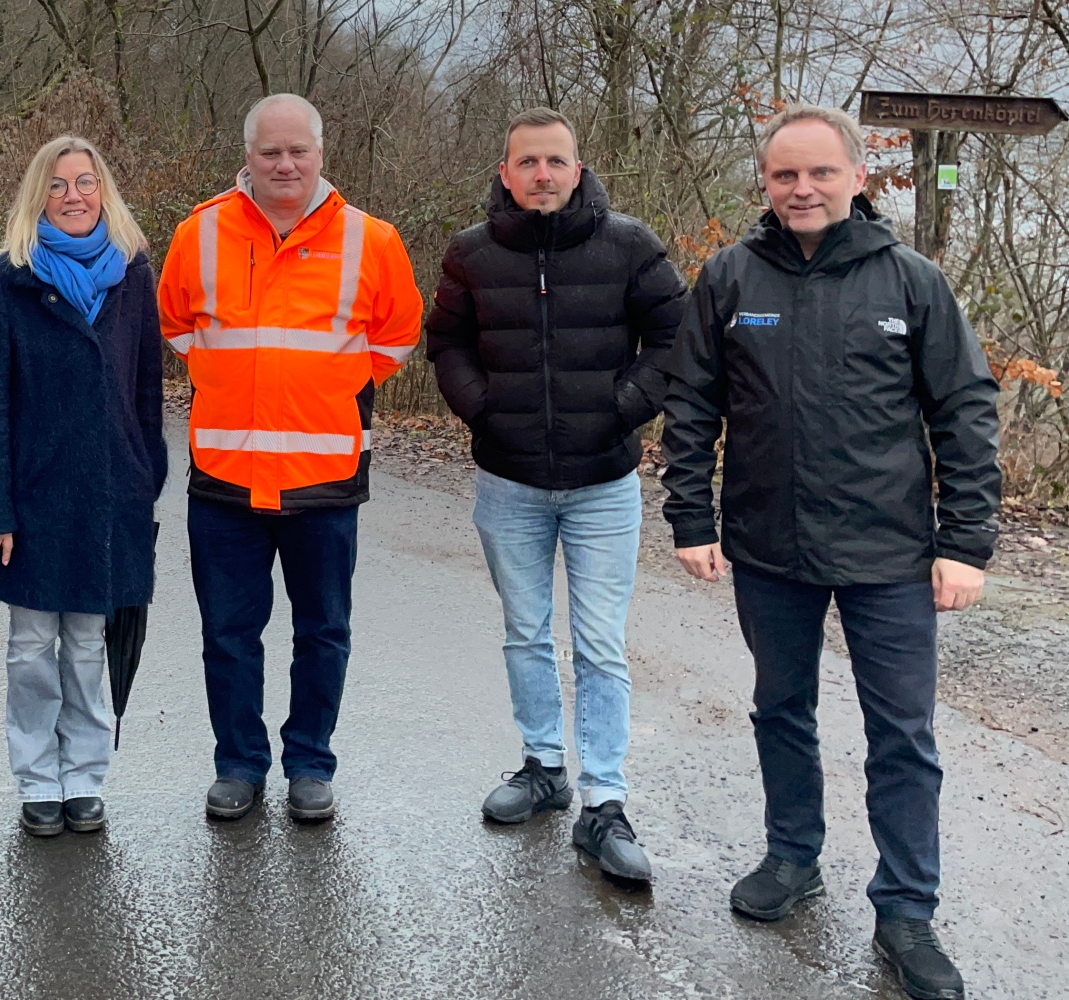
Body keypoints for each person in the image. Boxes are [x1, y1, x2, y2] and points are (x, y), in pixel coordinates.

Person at [661, 104, 999, 1000]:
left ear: (856, 177)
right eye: (784, 175)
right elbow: (692, 404)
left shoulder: (912, 282)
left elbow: (964, 409)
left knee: (903, 736)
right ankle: (792, 857)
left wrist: (966, 543)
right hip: (769, 548)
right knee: (781, 710)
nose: (802, 189)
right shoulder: (730, 277)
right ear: (765, 184)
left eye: (819, 173)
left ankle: (906, 910)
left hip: (890, 553)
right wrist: (689, 517)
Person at [421, 108, 685, 884]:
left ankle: (604, 799)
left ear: (578, 169)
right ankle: (543, 767)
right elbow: (447, 341)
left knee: (600, 644)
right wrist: (482, 406)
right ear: (505, 172)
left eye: (555, 161)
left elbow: (676, 334)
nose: (542, 173)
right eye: (527, 162)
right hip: (509, 481)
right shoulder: (471, 253)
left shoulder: (629, 245)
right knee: (525, 632)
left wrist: (624, 405)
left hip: (604, 482)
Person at [157, 93, 423, 824]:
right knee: (229, 634)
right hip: (225, 476)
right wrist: (228, 380)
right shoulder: (198, 233)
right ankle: (238, 764)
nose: (284, 164)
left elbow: (397, 336)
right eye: (270, 151)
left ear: (321, 154)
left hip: (324, 477)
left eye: (297, 151)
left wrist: (334, 385)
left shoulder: (373, 240)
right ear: (247, 155)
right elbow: (175, 325)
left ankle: (310, 762)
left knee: (323, 632)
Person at [0, 137, 168, 837]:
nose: (74, 196)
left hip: (112, 495)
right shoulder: (3, 284)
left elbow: (148, 391)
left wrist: (147, 480)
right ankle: (36, 780)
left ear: (103, 191)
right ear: (36, 198)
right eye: (58, 186)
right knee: (29, 648)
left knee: (86, 645)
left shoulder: (133, 277)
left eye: (86, 182)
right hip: (31, 498)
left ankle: (84, 777)